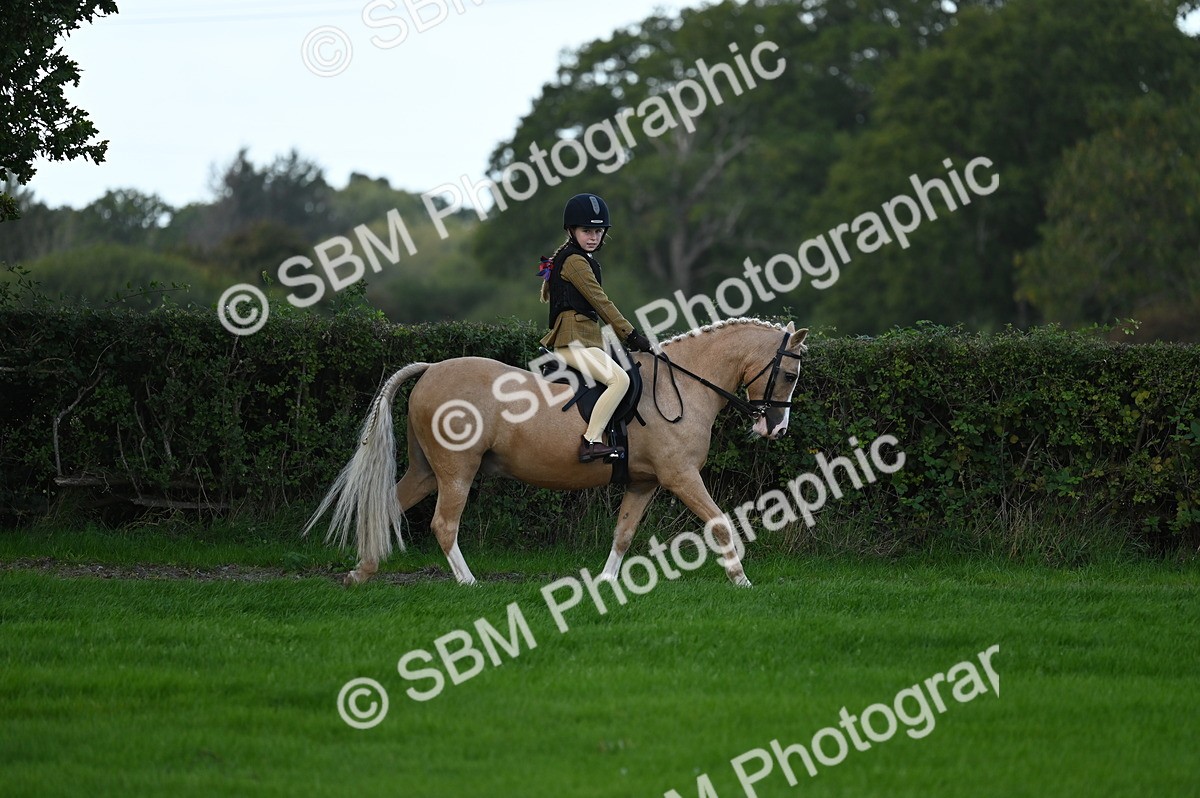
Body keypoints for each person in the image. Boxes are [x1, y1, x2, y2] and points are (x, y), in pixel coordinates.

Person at [538, 193, 653, 463]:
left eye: (598, 231)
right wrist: (632, 335)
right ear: (571, 231)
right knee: (619, 380)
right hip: (572, 342)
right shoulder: (575, 261)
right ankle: (590, 441)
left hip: (585, 341)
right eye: (586, 230)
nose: (593, 236)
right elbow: (601, 302)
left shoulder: (579, 258)